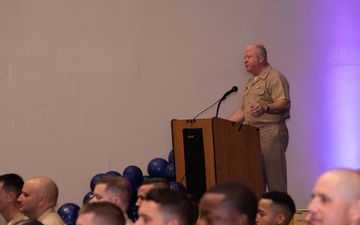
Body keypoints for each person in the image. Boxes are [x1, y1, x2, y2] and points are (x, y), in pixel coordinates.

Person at [228, 43, 291, 192]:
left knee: (276, 183)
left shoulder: (274, 77)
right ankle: (260, 214)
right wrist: (220, 125)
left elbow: (284, 103)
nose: (245, 60)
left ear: (261, 59)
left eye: (249, 57)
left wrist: (266, 108)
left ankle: (280, 213)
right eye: (244, 57)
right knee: (255, 182)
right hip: (252, 135)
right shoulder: (250, 82)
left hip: (270, 132)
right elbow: (244, 110)